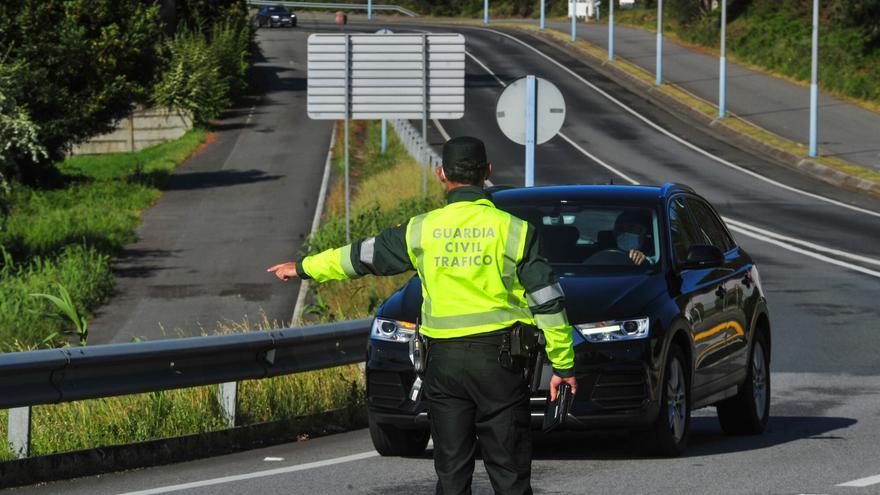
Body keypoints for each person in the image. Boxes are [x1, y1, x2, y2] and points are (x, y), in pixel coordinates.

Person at [267, 136, 577, 495]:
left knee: (451, 471)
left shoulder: (420, 230)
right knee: (509, 473)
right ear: (488, 172)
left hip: (443, 365)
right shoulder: (516, 231)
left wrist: (305, 267)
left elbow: (362, 256)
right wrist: (563, 365)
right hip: (501, 365)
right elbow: (548, 303)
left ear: (441, 173)